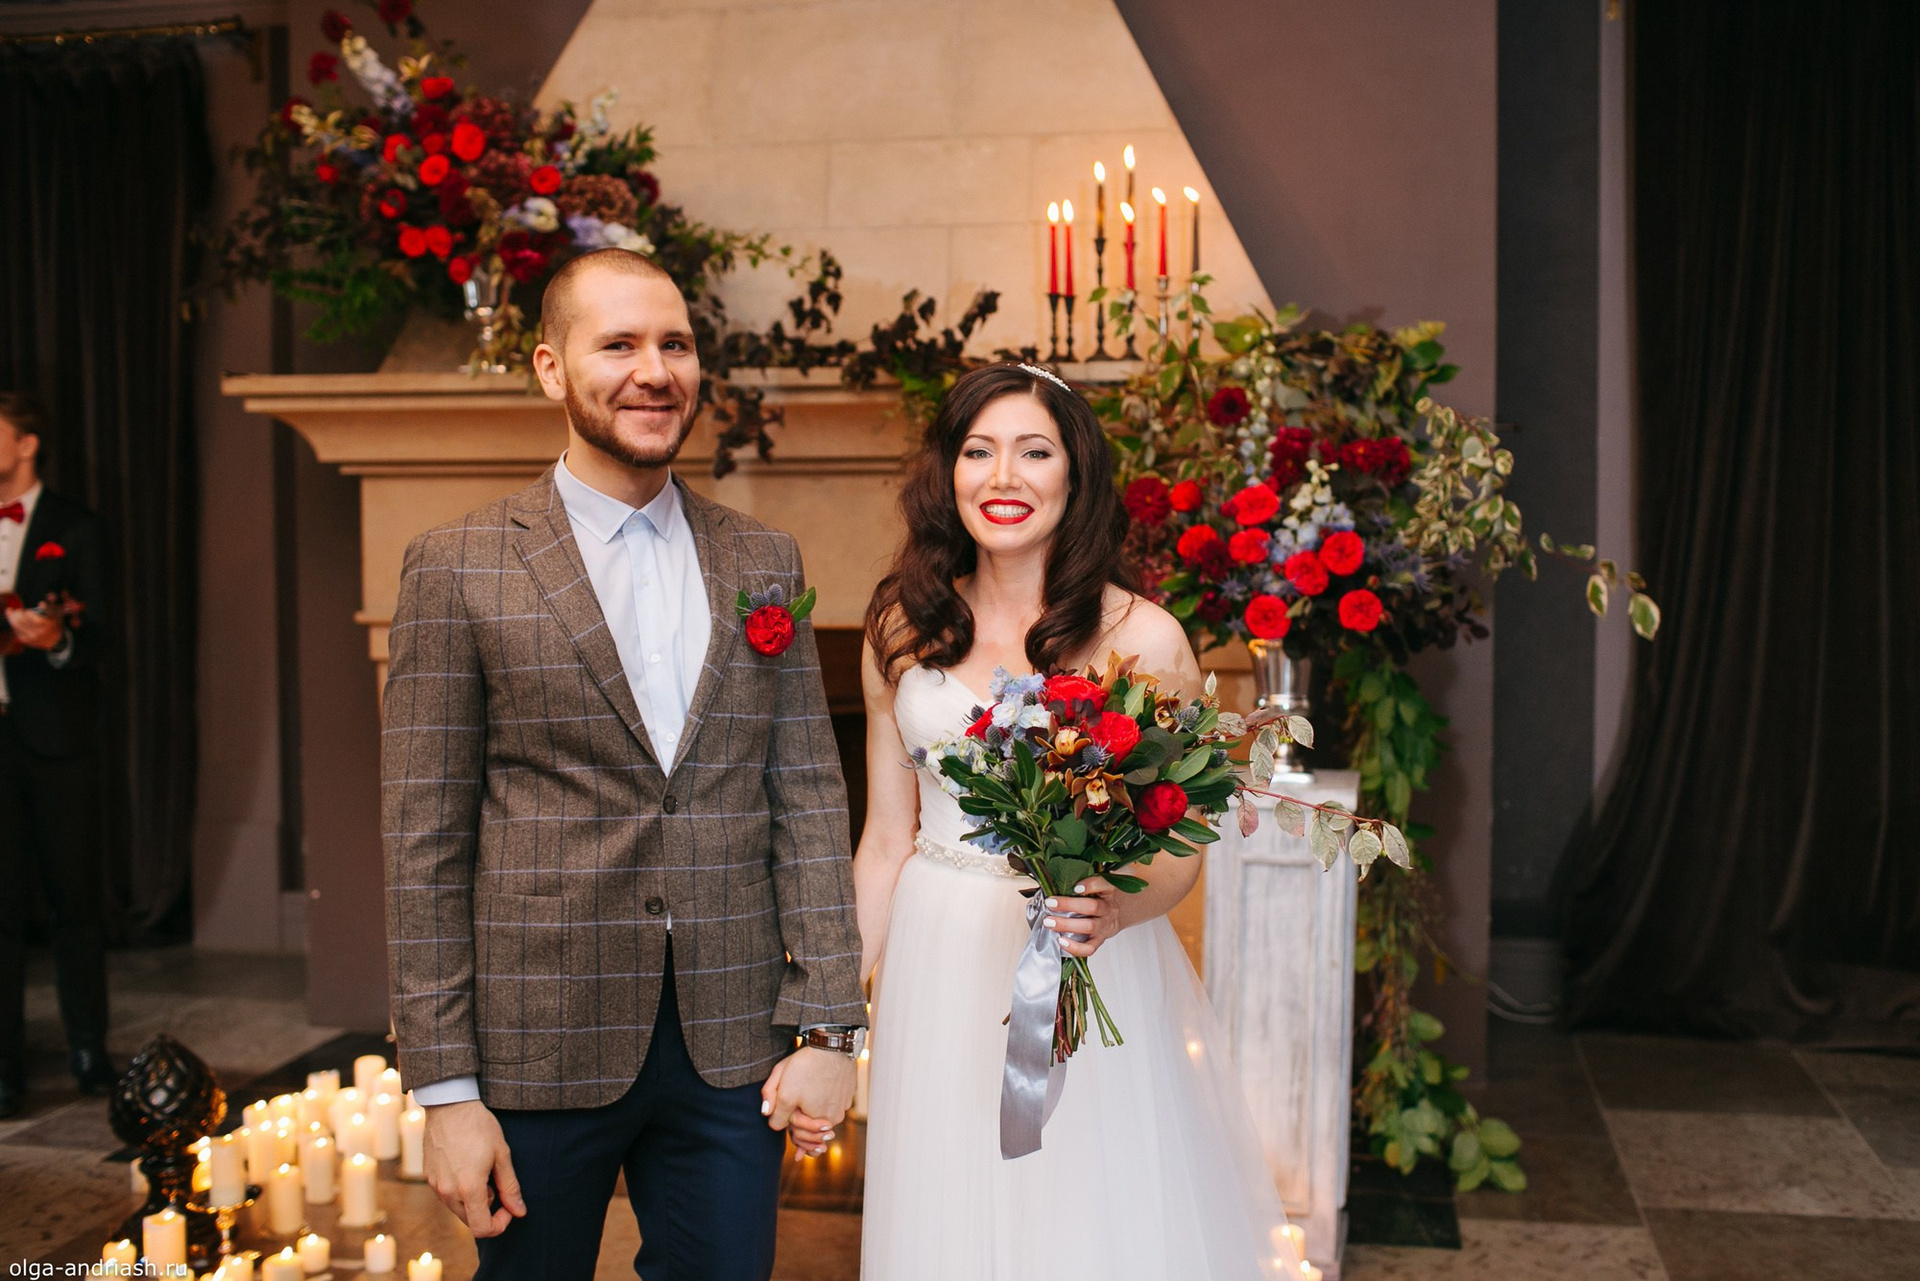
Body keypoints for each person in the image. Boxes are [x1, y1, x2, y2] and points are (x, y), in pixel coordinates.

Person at [381, 248, 866, 1280]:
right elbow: (423, 844)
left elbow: (810, 798)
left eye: (675, 344)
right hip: (536, 1042)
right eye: (619, 345)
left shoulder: (764, 559)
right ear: (551, 369)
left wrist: (831, 1028)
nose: (655, 371)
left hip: (732, 1044)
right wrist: (445, 1092)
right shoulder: (458, 565)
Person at [844, 363, 1301, 1278]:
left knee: (1083, 1216)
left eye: (1034, 452)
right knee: (946, 1208)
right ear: (949, 471)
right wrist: (831, 1008)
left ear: (1075, 473)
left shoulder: (1144, 637)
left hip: (1082, 955)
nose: (1003, 477)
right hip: (936, 960)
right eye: (979, 451)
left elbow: (1180, 842)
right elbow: (886, 839)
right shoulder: (900, 624)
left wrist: (1119, 907)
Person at [0, 392, 113, 1120]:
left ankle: (88, 1050)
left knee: (75, 899)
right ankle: (4, 1066)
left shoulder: (74, 525)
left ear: (26, 442)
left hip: (55, 735)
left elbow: (101, 633)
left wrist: (58, 639)